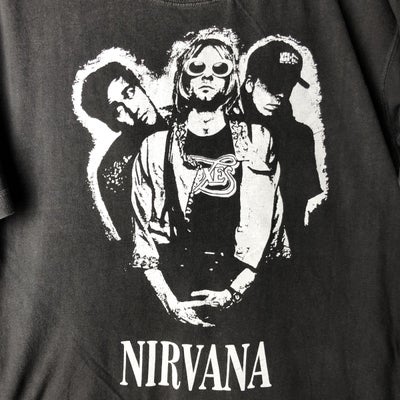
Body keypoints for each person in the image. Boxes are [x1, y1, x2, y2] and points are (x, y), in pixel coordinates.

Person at [130, 29, 288, 327]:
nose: (207, 76)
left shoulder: (257, 140)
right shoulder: (155, 147)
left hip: (244, 294)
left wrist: (235, 291)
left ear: (230, 80)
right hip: (175, 293)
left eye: (219, 69)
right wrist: (170, 302)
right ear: (184, 78)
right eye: (197, 67)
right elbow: (143, 235)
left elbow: (272, 226)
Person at [241, 40, 322, 256]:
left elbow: (304, 207)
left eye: (288, 85)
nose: (281, 95)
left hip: (285, 255)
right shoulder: (223, 127)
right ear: (249, 84)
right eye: (272, 85)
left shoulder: (300, 136)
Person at [81, 62, 167, 242]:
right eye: (118, 111)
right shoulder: (113, 170)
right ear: (112, 124)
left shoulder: (188, 119)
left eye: (130, 93)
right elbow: (134, 242)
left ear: (141, 87)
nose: (132, 109)